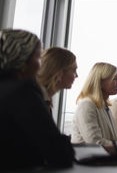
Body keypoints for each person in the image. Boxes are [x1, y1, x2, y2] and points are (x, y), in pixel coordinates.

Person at [0, 29, 74, 169]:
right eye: (38, 57)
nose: (40, 65)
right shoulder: (24, 90)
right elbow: (59, 153)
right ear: (22, 59)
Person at [71, 62, 117, 155]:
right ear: (100, 81)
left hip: (102, 160)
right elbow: (94, 143)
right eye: (115, 78)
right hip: (88, 164)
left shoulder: (104, 106)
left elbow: (115, 139)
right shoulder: (86, 105)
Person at [37, 47, 78, 112]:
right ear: (59, 72)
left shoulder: (43, 99)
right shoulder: (36, 101)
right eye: (74, 71)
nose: (76, 76)